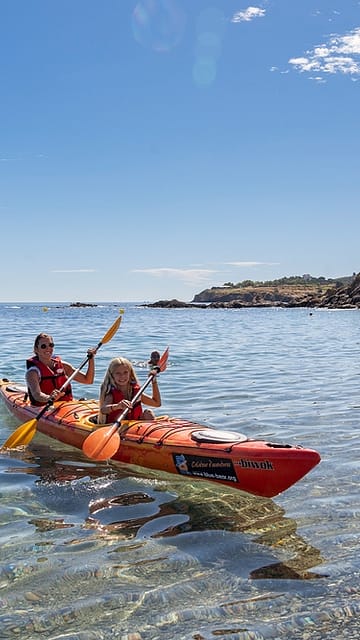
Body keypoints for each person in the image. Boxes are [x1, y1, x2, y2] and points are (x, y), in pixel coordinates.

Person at [26, 333, 96, 406]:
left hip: (66, 405)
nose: (48, 348)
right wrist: (49, 398)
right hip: (45, 406)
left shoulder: (64, 366)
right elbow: (37, 395)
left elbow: (88, 380)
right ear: (36, 349)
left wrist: (91, 359)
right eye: (43, 346)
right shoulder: (33, 372)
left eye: (51, 345)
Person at [98, 356, 161, 425]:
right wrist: (118, 406)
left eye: (125, 372)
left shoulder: (135, 392)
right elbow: (103, 409)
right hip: (117, 426)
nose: (122, 376)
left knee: (148, 413)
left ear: (130, 373)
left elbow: (156, 403)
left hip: (134, 426)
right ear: (112, 375)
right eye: (118, 373)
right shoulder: (111, 393)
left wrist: (154, 382)